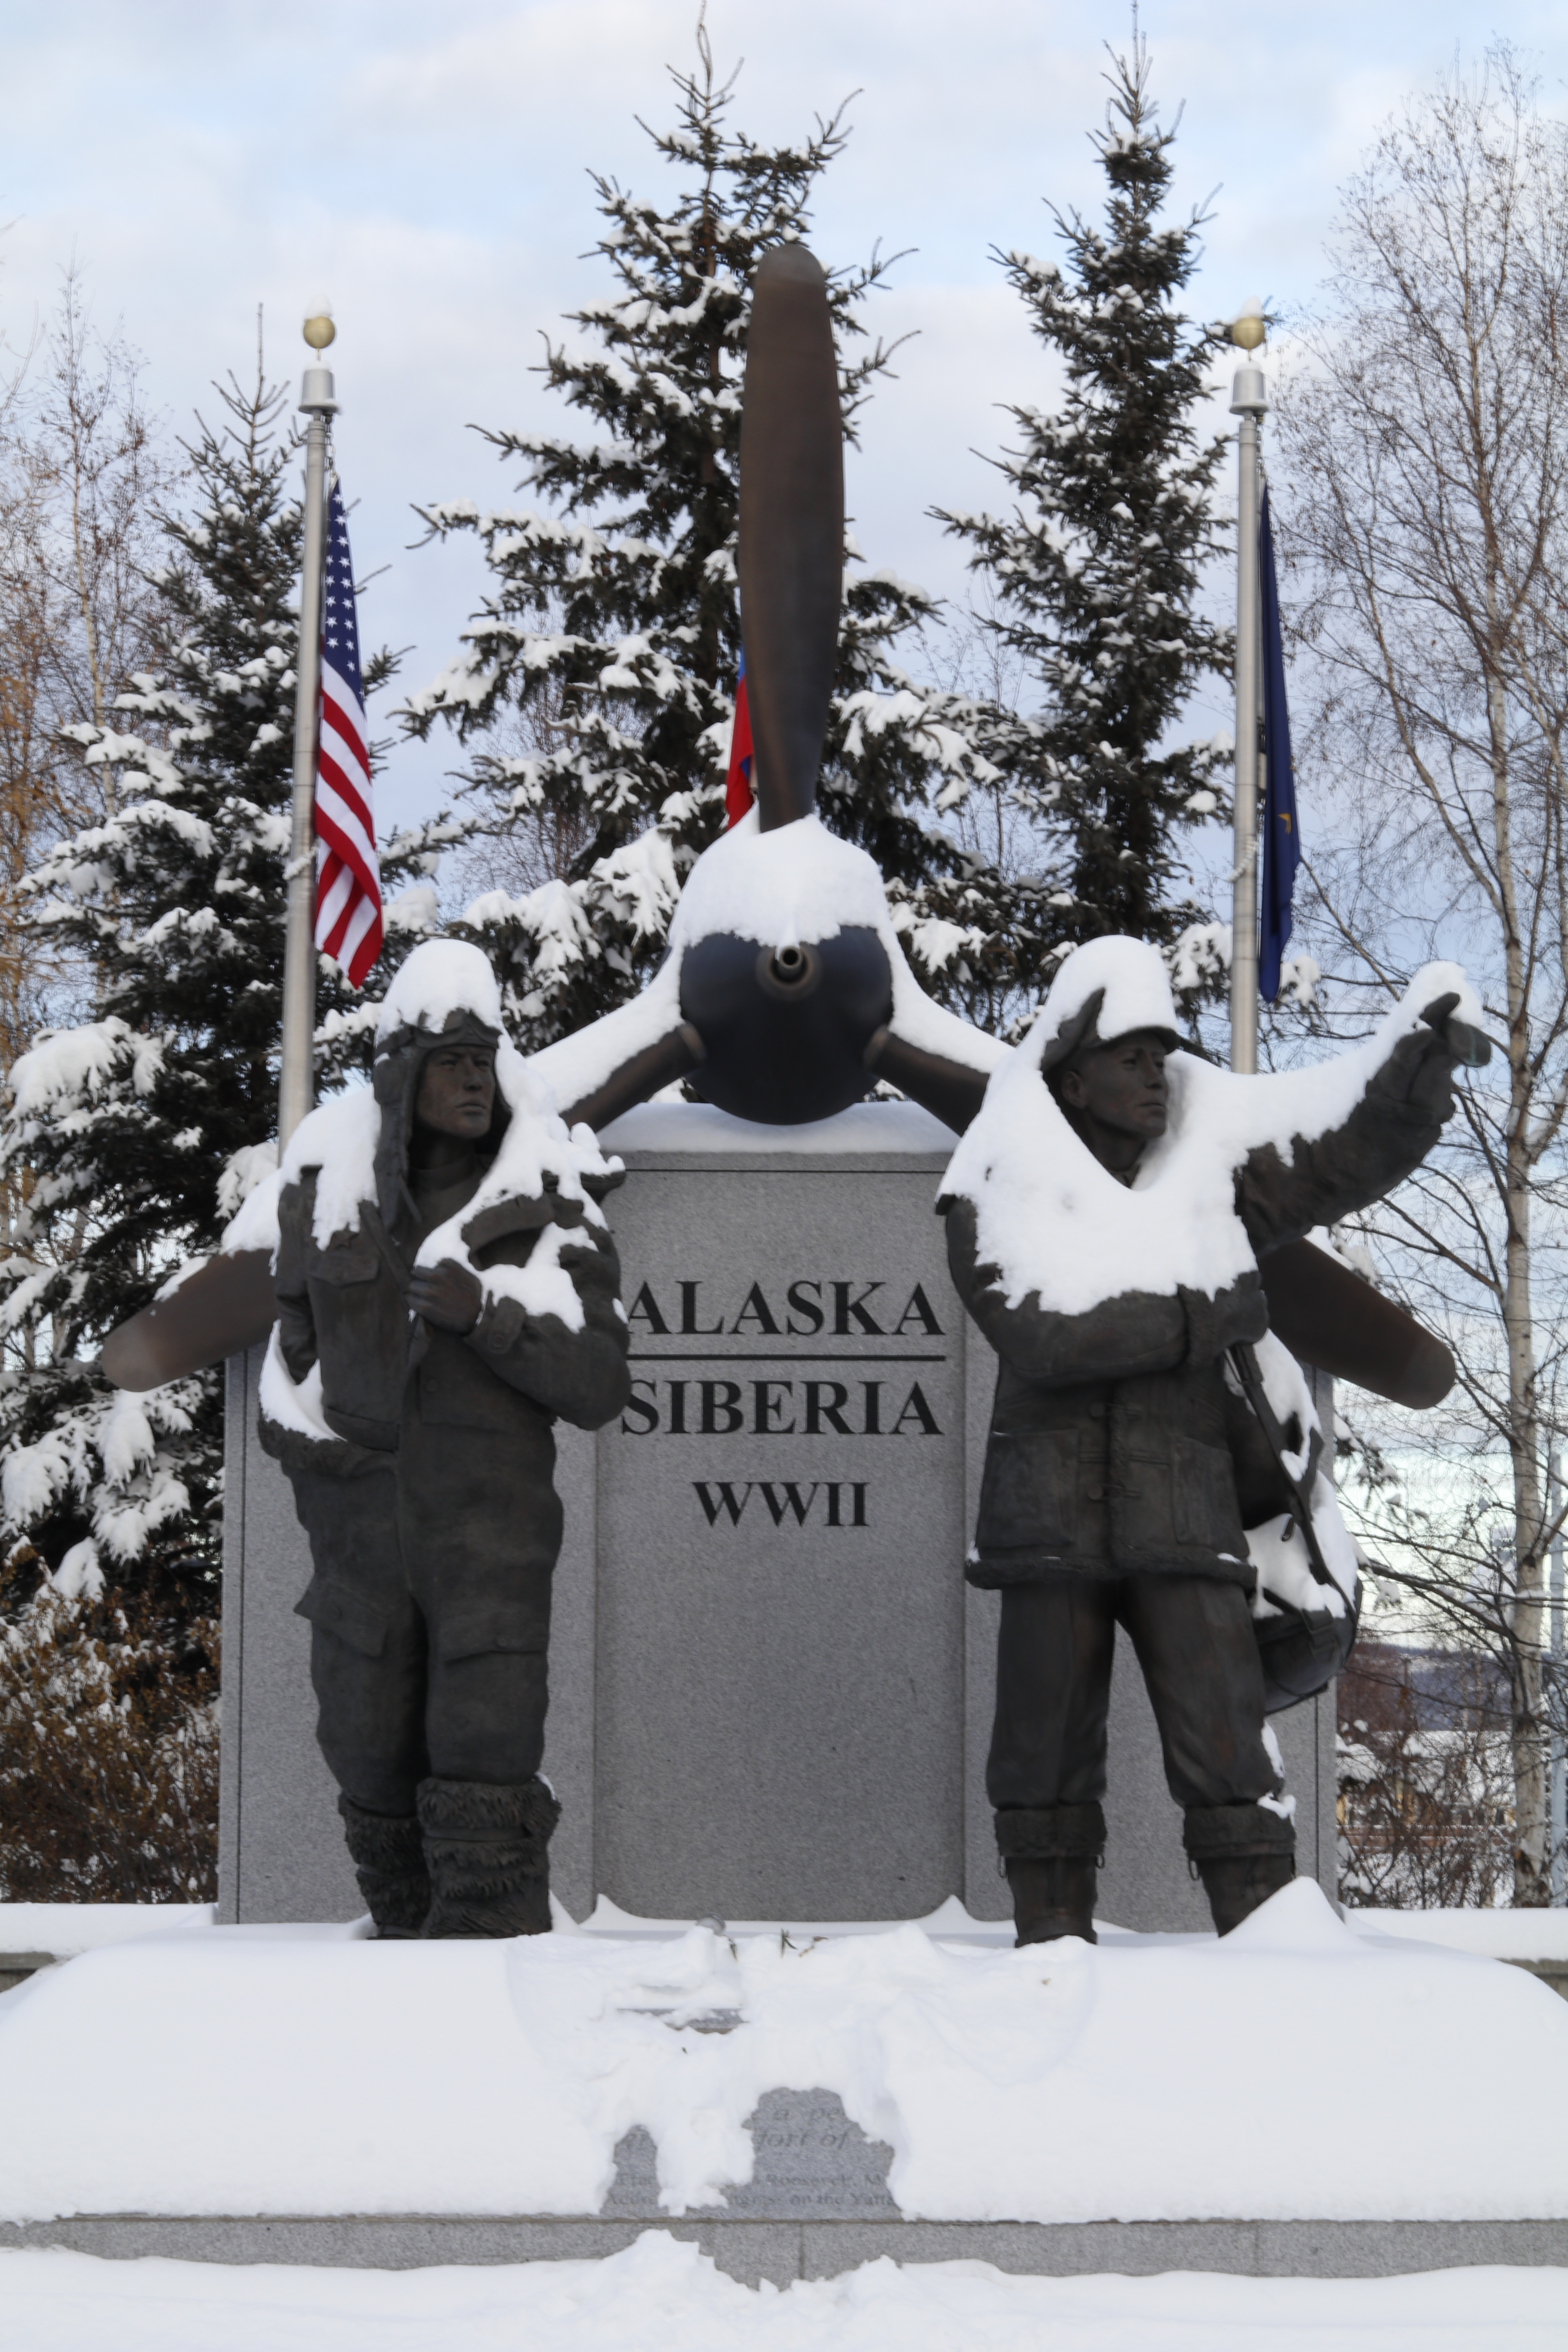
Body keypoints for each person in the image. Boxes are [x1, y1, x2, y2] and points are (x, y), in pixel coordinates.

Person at [939, 936, 1486, 1944]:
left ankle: (1270, 1963)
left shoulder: (1205, 1159)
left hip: (1184, 1517)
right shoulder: (993, 1175)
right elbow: (1046, 1334)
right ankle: (1048, 1967)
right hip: (1045, 1523)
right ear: (1072, 1073)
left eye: (1161, 1058)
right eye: (1131, 1059)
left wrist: (1415, 1063)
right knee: (1039, 1760)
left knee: (1230, 1754)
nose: (1155, 1078)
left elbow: (1329, 1145)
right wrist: (1207, 1313)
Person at [261, 941, 630, 1938]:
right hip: (363, 1552)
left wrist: (489, 1318)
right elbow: (286, 1364)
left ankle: (483, 1985)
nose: (474, 1080)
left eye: (485, 1061)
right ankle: (399, 1981)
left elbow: (600, 1384)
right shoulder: (324, 1191)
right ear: (401, 1078)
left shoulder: (550, 1199)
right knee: (365, 1750)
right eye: (451, 1063)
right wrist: (327, 1472)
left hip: (489, 1549)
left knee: (482, 1766)